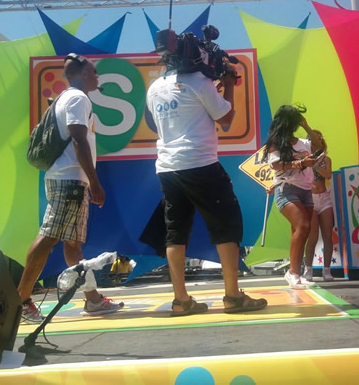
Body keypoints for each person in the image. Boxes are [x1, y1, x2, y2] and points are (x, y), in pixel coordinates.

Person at [146, 59, 267, 316]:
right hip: (199, 162)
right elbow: (226, 119)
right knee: (227, 224)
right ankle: (233, 296)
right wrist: (228, 85)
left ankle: (181, 300)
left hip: (167, 167)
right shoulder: (199, 82)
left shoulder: (155, 87)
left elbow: (155, 123)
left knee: (176, 231)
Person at [18, 53, 124, 324]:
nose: (97, 77)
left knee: (72, 245)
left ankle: (93, 300)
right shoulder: (78, 99)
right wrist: (95, 183)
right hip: (70, 180)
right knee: (49, 236)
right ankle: (21, 301)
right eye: (94, 72)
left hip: (68, 178)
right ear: (84, 74)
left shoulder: (65, 98)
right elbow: (78, 139)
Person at [263, 105, 325, 289]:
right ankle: (293, 272)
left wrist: (306, 126)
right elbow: (275, 165)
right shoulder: (276, 142)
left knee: (301, 231)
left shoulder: (302, 142)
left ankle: (294, 272)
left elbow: (319, 146)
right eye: (296, 120)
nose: (298, 123)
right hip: (287, 188)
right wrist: (300, 163)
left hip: (306, 189)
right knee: (303, 226)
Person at [303, 129, 334, 282]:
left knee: (328, 235)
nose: (316, 141)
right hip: (310, 198)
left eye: (319, 138)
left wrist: (316, 166)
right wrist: (311, 162)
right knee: (313, 236)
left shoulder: (326, 159)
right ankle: (308, 269)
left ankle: (326, 270)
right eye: (312, 138)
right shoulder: (304, 158)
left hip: (324, 197)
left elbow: (328, 175)